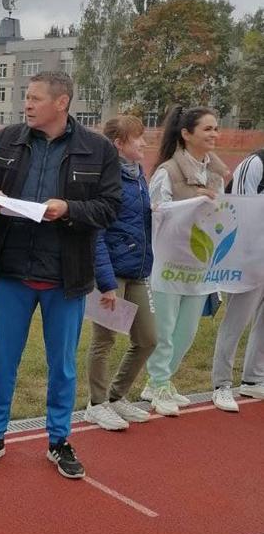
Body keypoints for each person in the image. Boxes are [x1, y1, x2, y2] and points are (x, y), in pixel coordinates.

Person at [0, 71, 120, 479]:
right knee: (3, 362)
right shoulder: (7, 139)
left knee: (62, 365)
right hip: (12, 270)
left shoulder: (97, 149)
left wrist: (68, 210)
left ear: (61, 102)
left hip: (65, 277)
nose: (27, 104)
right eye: (26, 98)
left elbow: (109, 209)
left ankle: (59, 440)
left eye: (34, 98)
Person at [142, 105, 224, 416]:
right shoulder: (168, 171)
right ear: (186, 134)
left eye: (216, 128)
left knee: (187, 331)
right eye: (207, 129)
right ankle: (159, 381)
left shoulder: (216, 174)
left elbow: (223, 216)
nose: (214, 134)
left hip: (200, 263)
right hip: (169, 261)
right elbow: (157, 213)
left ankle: (160, 381)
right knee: (164, 329)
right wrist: (195, 202)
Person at [85, 115, 157, 430]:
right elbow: (96, 233)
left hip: (138, 270)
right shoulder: (106, 177)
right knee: (105, 339)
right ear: (119, 143)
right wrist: (106, 282)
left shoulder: (138, 175)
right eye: (138, 137)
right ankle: (96, 403)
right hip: (112, 273)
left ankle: (116, 397)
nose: (144, 142)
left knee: (148, 338)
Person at [210, 148, 264, 412]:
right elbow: (240, 209)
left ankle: (254, 378)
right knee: (236, 322)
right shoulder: (255, 164)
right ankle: (221, 384)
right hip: (248, 258)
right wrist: (247, 256)